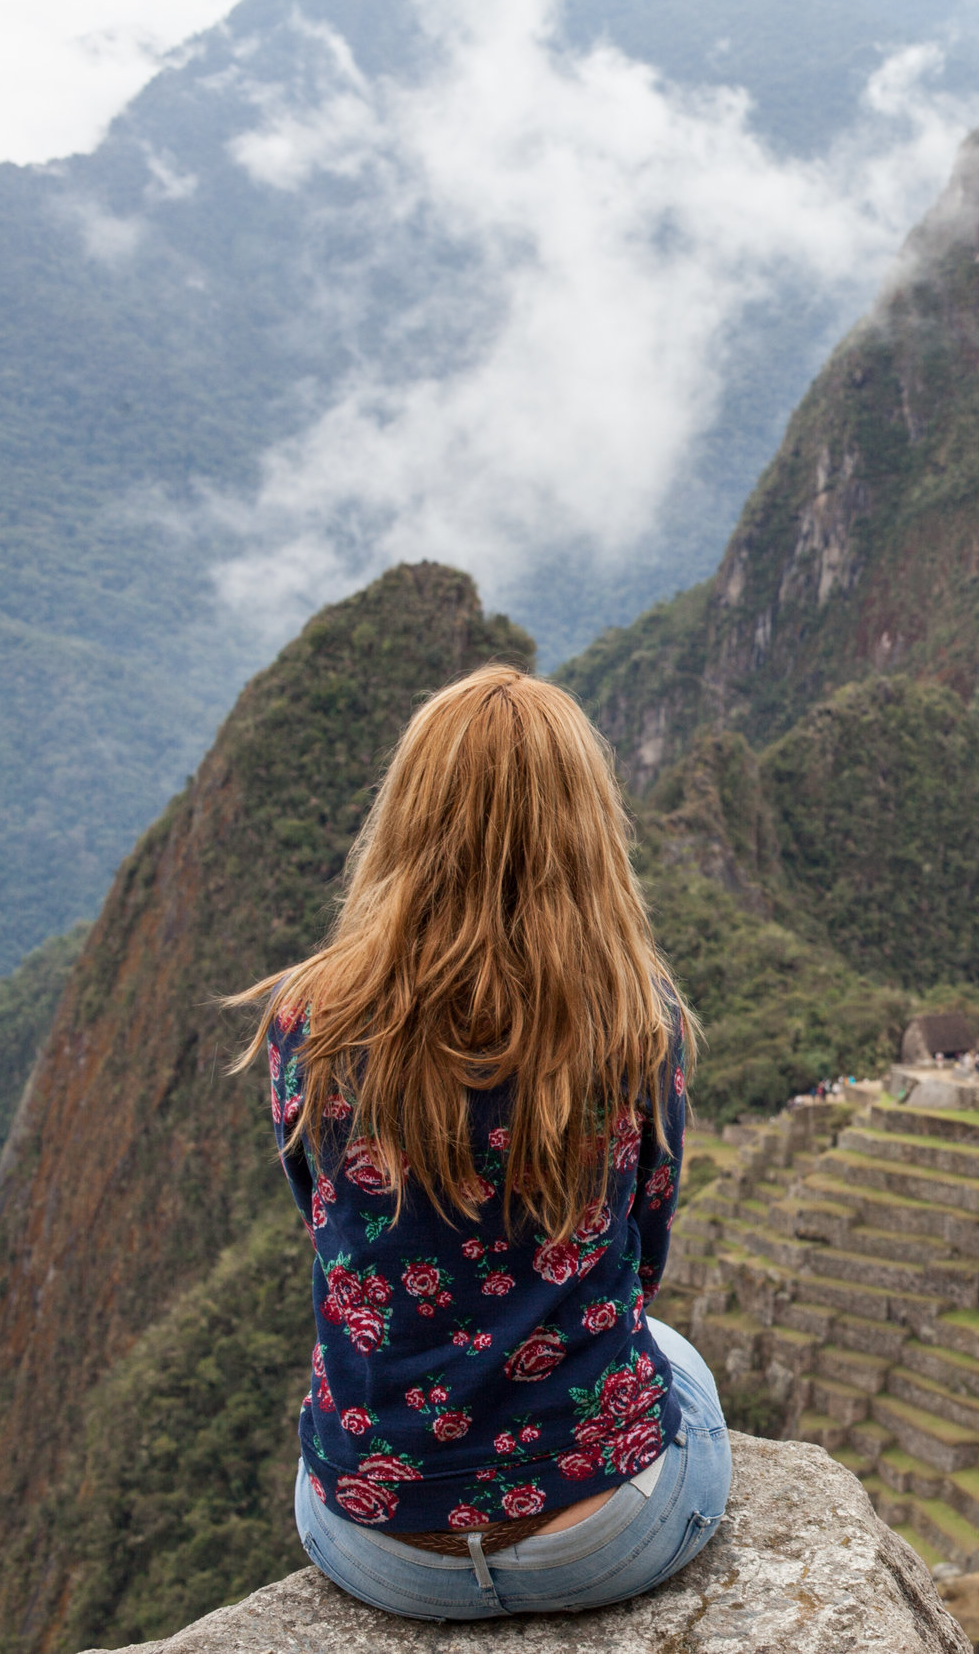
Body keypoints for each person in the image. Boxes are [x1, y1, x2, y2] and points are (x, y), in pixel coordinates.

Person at [231, 666, 730, 1621]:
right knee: (680, 1359)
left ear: (408, 816)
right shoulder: (636, 1020)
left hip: (378, 1542)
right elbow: (645, 1250)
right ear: (586, 828)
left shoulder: (310, 1020)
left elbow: (329, 1229)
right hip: (603, 1533)